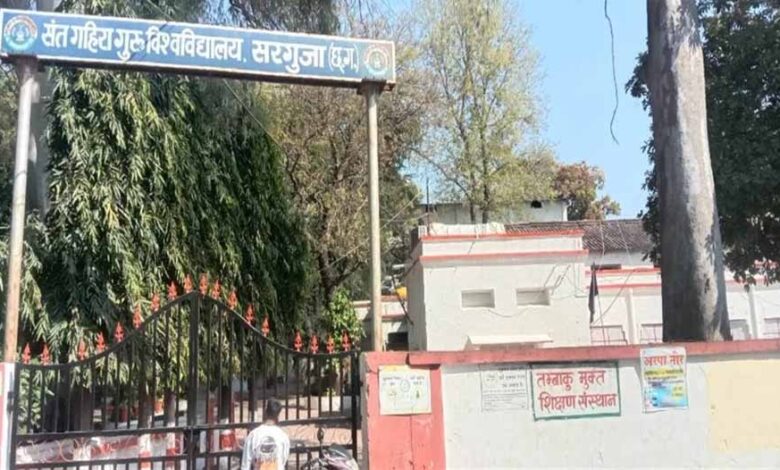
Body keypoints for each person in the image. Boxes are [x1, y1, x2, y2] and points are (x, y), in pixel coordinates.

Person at [241, 399, 290, 470]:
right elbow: (283, 461)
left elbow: (245, 465)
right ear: (277, 416)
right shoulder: (283, 436)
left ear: (265, 412)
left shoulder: (253, 435)